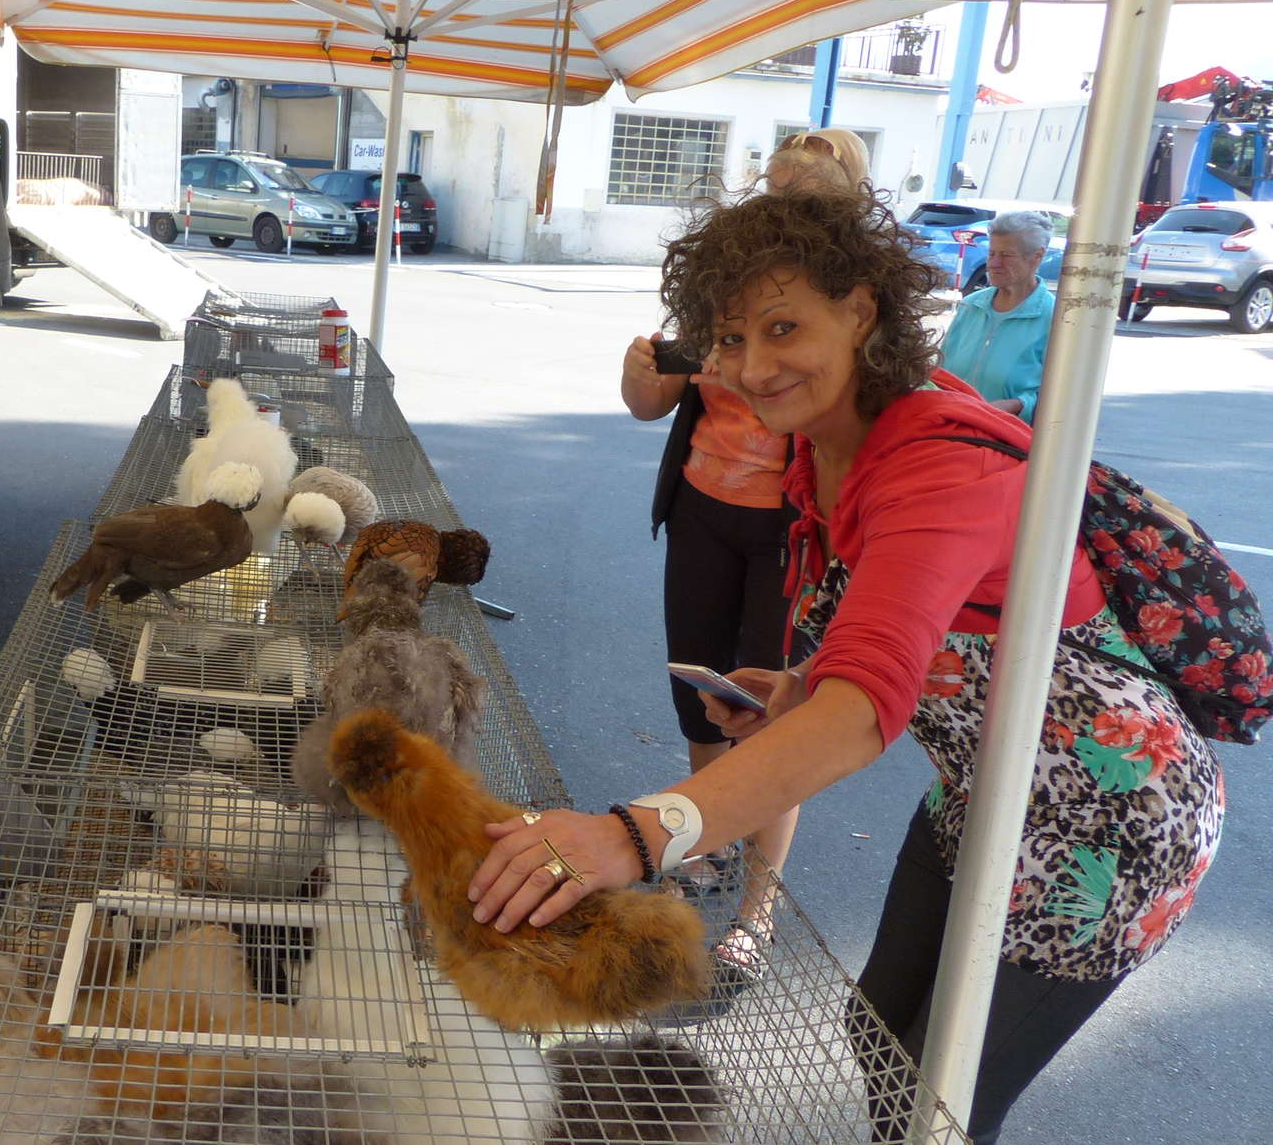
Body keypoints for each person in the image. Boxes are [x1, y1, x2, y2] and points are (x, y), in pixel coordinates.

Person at [474, 186, 1223, 1143]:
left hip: (1114, 822)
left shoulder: (938, 461)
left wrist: (633, 836)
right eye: (732, 337)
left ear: (861, 310)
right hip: (984, 789)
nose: (754, 366)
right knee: (880, 1035)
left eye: (784, 326)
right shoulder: (823, 448)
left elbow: (866, 704)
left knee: (944, 1096)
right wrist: (795, 689)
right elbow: (888, 646)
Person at [615, 127, 871, 988]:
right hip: (701, 511)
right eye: (772, 195)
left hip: (790, 530)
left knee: (773, 715)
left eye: (798, 201)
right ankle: (709, 839)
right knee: (700, 690)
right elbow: (650, 401)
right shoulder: (727, 285)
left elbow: (847, 421)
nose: (777, 213)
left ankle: (759, 904)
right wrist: (643, 373)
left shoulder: (846, 302)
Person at [940, 209, 1057, 422]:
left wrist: (1018, 405)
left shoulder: (1056, 318)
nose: (993, 264)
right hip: (951, 429)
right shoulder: (971, 306)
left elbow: (1061, 397)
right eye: (992, 253)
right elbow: (941, 372)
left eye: (1006, 255)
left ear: (1038, 256)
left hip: (1008, 435)